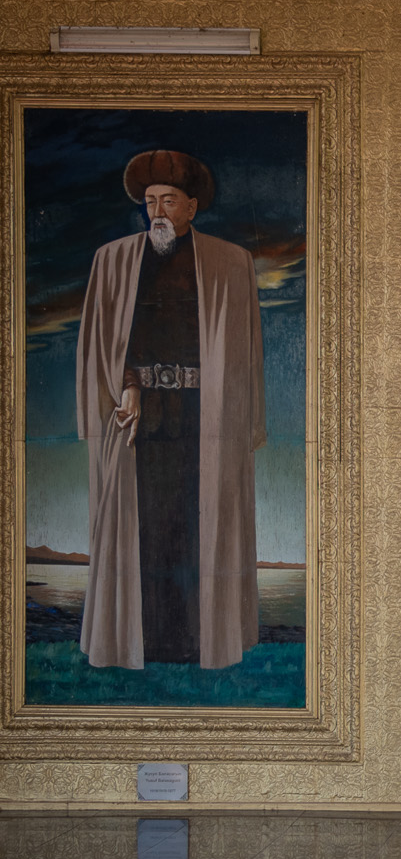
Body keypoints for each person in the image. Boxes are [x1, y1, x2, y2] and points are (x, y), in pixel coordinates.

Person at [75, 150, 265, 670]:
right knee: (147, 530)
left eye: (169, 201)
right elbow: (107, 343)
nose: (157, 211)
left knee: (195, 529)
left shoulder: (230, 263)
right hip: (140, 421)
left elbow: (245, 356)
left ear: (193, 207)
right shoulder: (113, 260)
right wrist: (128, 384)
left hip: (205, 420)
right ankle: (143, 643)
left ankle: (195, 644)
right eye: (150, 202)